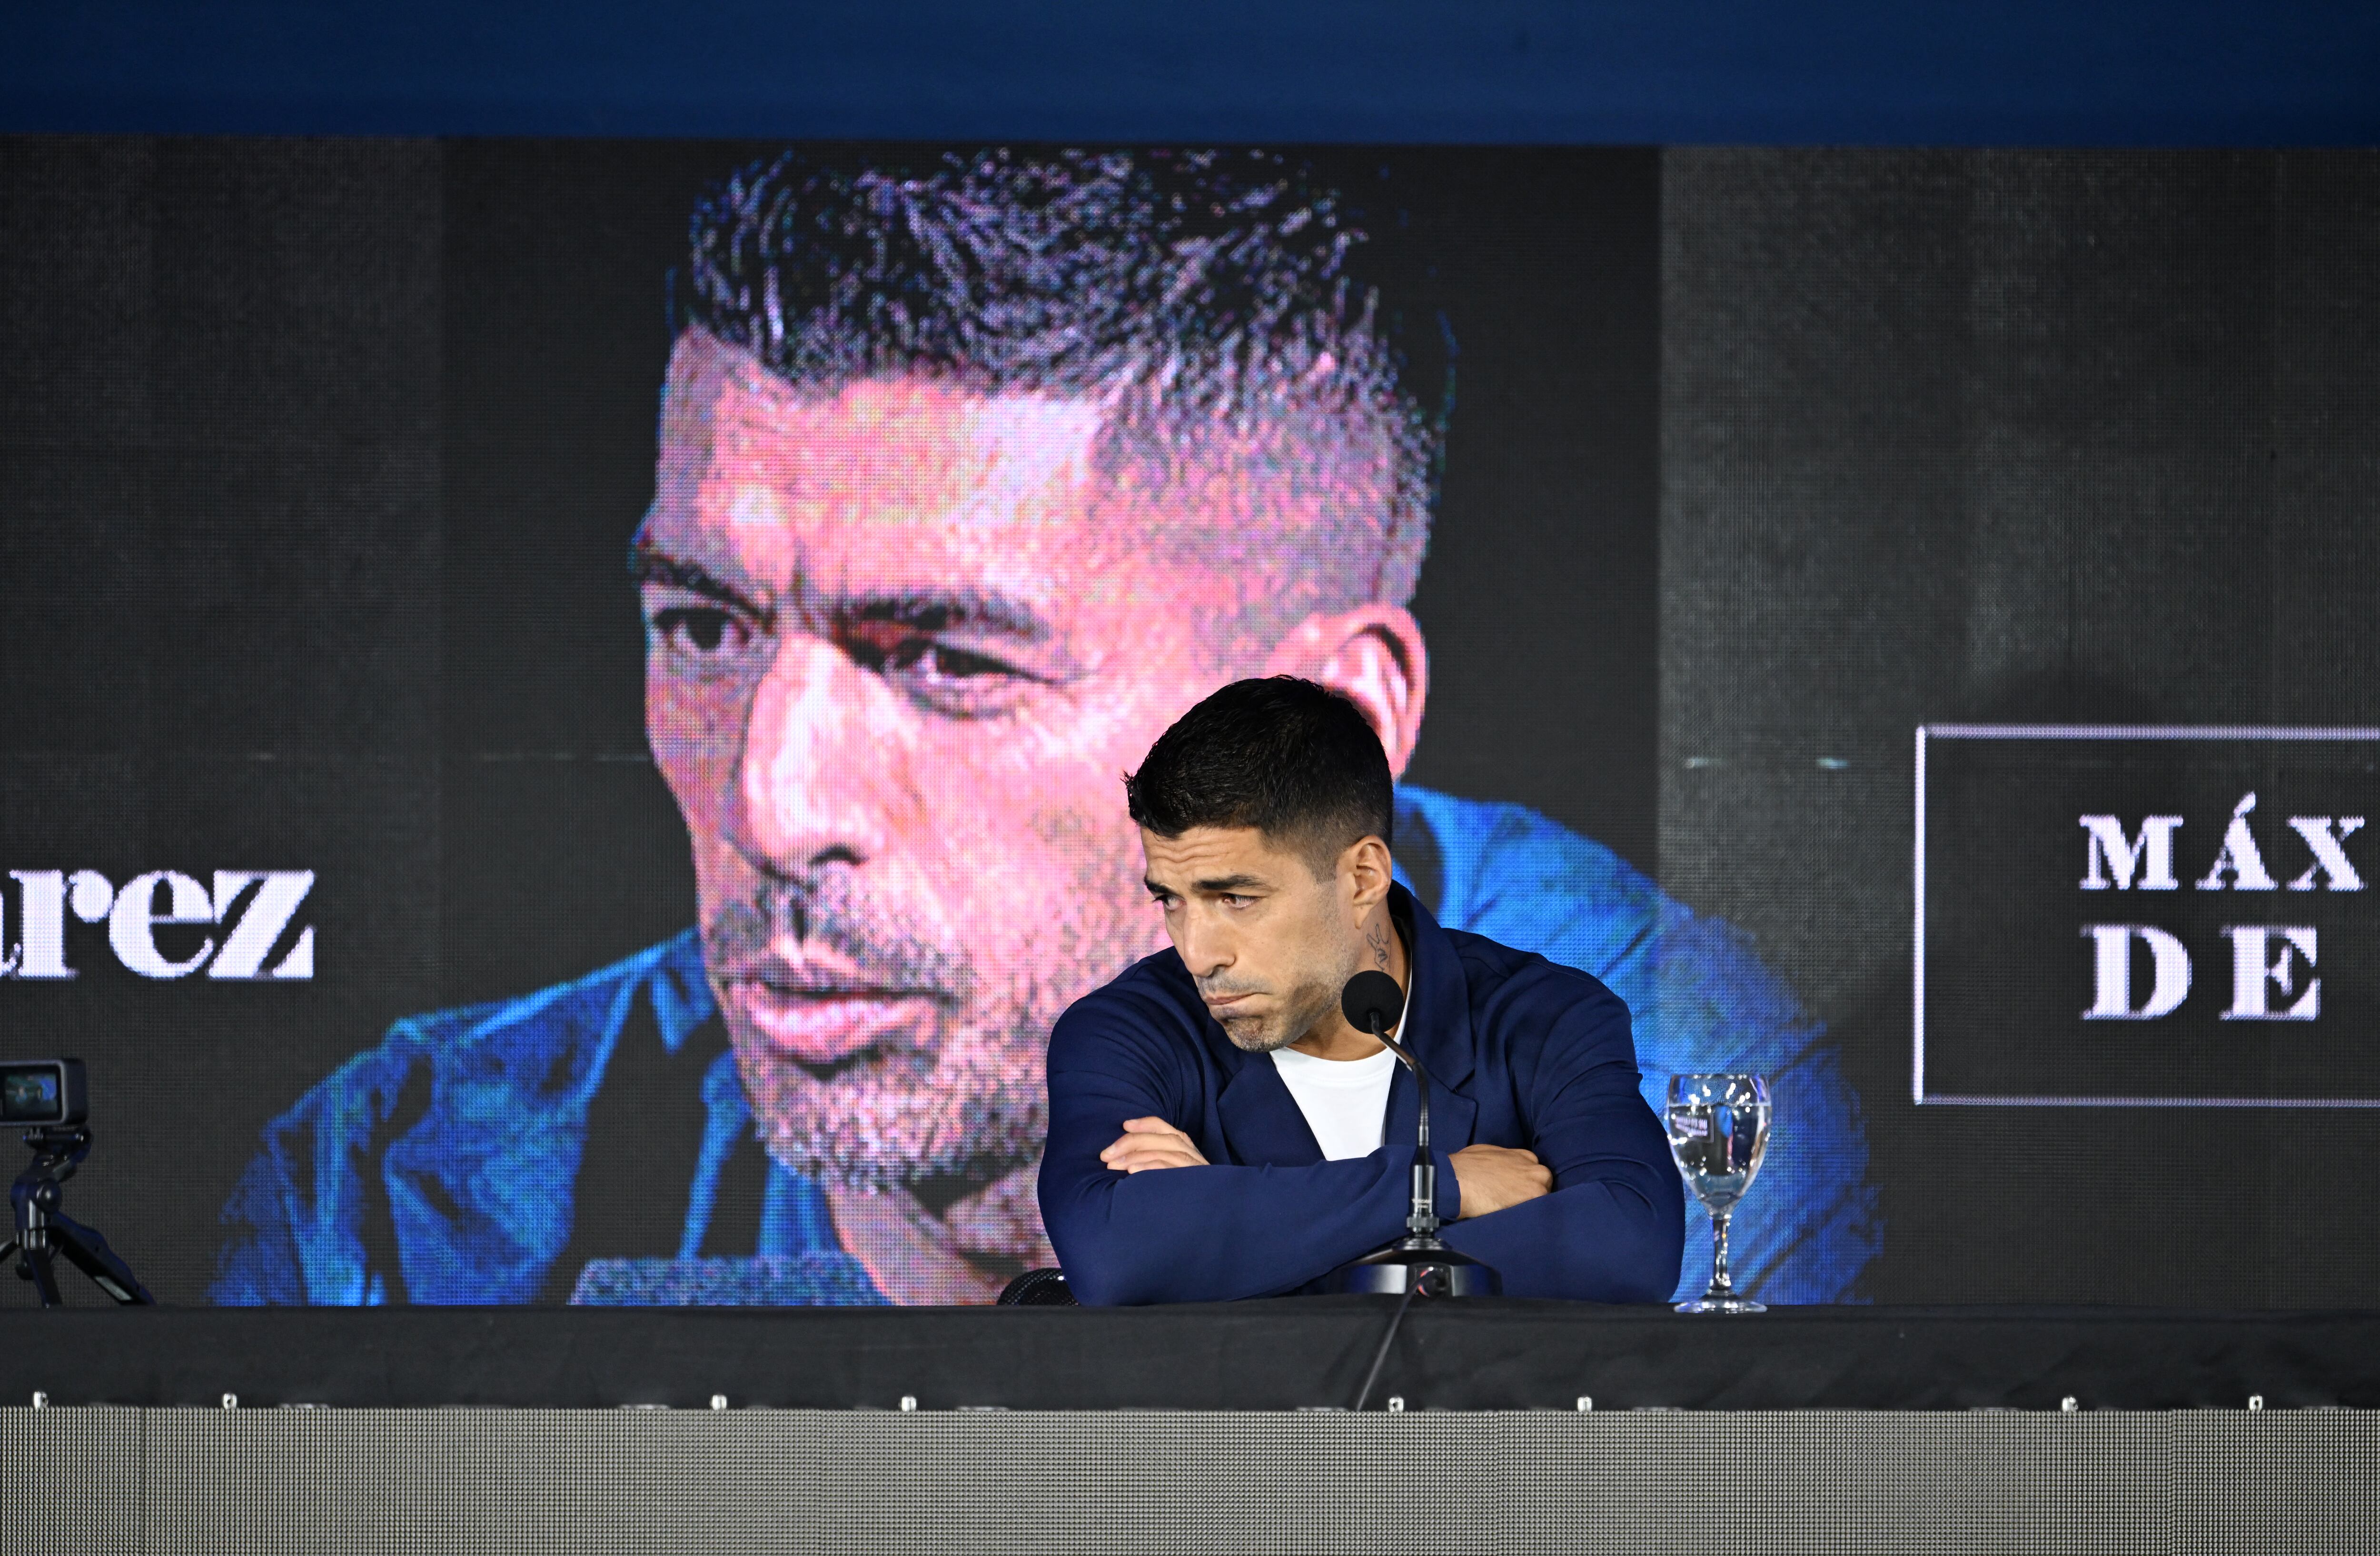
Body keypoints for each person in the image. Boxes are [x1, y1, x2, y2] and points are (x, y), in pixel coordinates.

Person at [212, 146, 1875, 1307]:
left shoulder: (1673, 1126)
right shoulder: (402, 1206)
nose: (772, 803)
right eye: (707, 628)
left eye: (948, 659)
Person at [1043, 677, 1683, 1303]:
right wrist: (1435, 1188)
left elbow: (1629, 1249)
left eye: (1236, 898)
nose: (1198, 953)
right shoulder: (1125, 1031)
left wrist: (1230, 1253)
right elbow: (1115, 1258)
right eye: (1171, 900)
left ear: (1363, 877)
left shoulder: (1548, 1018)